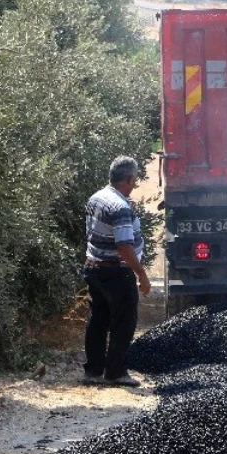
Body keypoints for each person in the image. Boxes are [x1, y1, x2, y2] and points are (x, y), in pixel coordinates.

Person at [82, 156, 151, 386]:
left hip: (94, 267)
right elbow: (124, 246)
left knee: (98, 320)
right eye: (134, 181)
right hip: (115, 272)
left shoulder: (96, 197)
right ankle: (116, 372)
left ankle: (93, 371)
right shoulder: (120, 207)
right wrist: (140, 273)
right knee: (124, 321)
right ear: (129, 179)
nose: (134, 186)